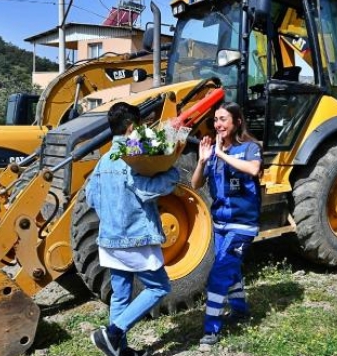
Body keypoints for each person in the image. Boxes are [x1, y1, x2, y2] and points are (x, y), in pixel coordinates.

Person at [85, 102, 180, 356]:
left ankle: (120, 351)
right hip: (135, 237)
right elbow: (145, 190)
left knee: (121, 295)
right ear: (131, 128)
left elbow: (90, 197)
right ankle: (113, 333)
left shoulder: (104, 159)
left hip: (109, 239)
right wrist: (172, 176)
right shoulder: (132, 153)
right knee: (159, 287)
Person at [190, 102, 262, 351]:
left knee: (219, 275)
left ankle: (211, 331)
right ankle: (240, 309)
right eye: (216, 120)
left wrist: (221, 154)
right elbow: (196, 183)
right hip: (220, 224)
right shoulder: (212, 152)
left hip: (242, 225)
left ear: (237, 121)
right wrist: (202, 161)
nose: (218, 125)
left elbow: (253, 169)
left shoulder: (249, 148)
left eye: (223, 119)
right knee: (230, 268)